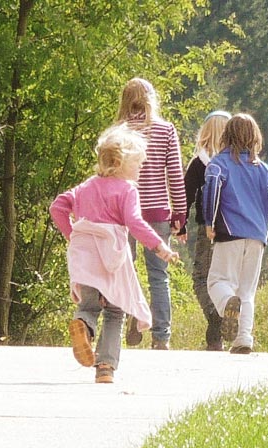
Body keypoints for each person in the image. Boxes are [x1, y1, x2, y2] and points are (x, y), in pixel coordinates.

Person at [50, 124, 180, 383]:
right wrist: (159, 246)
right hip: (112, 258)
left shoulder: (85, 187)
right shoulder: (127, 189)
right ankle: (106, 367)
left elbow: (57, 208)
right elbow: (134, 223)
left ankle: (84, 328)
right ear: (121, 162)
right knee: (115, 311)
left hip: (85, 257)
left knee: (87, 306)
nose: (141, 170)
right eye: (139, 164)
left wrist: (73, 235)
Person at [202, 113, 268, 354]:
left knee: (218, 281)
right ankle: (244, 338)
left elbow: (213, 189)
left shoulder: (219, 164)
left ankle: (227, 302)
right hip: (257, 235)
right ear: (255, 138)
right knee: (247, 289)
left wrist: (209, 221)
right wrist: (261, 219)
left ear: (226, 135)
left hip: (229, 232)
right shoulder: (262, 168)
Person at [115, 77, 186, 350]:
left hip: (123, 211)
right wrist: (180, 215)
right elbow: (175, 177)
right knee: (159, 274)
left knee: (124, 270)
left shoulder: (118, 132)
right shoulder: (165, 130)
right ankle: (161, 337)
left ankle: (129, 319)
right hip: (157, 211)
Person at [181, 110, 232, 351]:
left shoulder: (199, 163)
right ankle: (219, 330)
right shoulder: (237, 162)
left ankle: (215, 317)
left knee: (201, 278)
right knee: (225, 279)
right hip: (235, 229)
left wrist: (180, 226)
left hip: (207, 228)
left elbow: (185, 198)